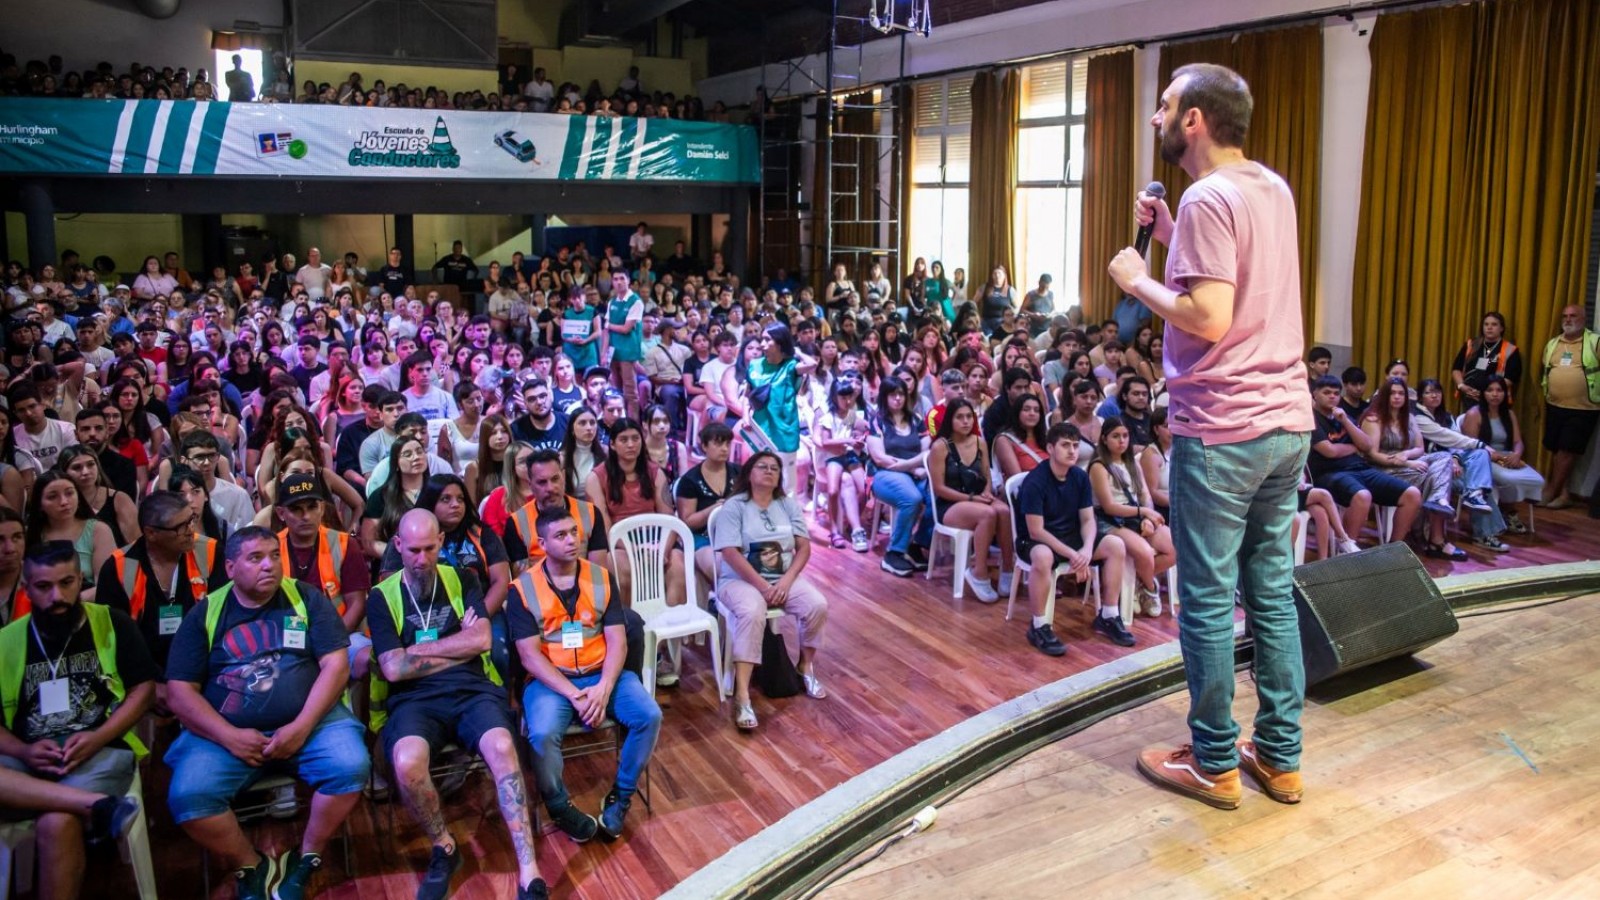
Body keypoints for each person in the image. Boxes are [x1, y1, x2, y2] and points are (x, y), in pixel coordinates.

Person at [1109, 63, 1316, 810]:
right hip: (1287, 421)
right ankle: (1281, 758)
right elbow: (1235, 279)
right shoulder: (1270, 186)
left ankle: (1214, 762)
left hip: (1223, 427)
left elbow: (1208, 318)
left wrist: (1137, 275)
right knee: (1271, 595)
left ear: (1193, 119)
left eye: (1164, 107)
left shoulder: (1205, 194)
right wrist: (1169, 236)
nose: (1156, 118)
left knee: (1202, 600)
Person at [163, 526, 369, 900]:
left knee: (351, 766)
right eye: (255, 558)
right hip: (227, 735)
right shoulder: (206, 612)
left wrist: (302, 727)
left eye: (274, 555)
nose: (269, 565)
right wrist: (229, 736)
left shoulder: (306, 598)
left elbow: (336, 666)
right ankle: (251, 864)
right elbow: (179, 692)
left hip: (311, 722)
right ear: (230, 567)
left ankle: (307, 855)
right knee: (188, 796)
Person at [369, 510, 547, 900]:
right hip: (413, 700)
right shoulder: (381, 597)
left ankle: (529, 867)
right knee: (406, 762)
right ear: (398, 546)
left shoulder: (462, 578)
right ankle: (444, 845)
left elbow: (481, 641)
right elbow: (393, 669)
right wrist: (455, 646)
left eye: (430, 548)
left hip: (470, 688)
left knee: (502, 747)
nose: (422, 559)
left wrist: (415, 651)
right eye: (413, 550)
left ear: (440, 545)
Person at [0, 541, 157, 900]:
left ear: (80, 580)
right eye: (44, 587)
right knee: (57, 814)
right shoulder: (6, 642)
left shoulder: (111, 622)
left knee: (56, 823)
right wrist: (23, 752)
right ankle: (94, 806)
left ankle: (80, 803)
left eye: (67, 582)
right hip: (27, 756)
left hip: (98, 749)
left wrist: (99, 737)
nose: (58, 596)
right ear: (27, 589)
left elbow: (143, 691)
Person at [508, 506, 662, 842]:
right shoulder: (522, 589)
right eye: (561, 535)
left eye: (574, 533)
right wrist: (575, 694)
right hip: (552, 682)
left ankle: (620, 797)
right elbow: (529, 657)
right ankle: (559, 806)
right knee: (543, 734)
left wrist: (604, 687)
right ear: (542, 543)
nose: (571, 541)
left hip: (602, 673)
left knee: (649, 714)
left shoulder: (601, 576)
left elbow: (619, 640)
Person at [708, 450, 828, 731]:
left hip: (781, 577)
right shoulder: (735, 507)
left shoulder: (787, 504)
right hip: (739, 580)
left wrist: (786, 581)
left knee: (817, 604)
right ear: (749, 473)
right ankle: (742, 694)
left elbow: (804, 547)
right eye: (762, 466)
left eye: (774, 468)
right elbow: (730, 553)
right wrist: (762, 586)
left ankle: (805, 667)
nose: (769, 471)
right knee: (752, 610)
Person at [1011, 423, 1130, 656]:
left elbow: (1087, 520)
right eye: (1065, 445)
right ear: (1050, 448)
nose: (1072, 451)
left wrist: (1086, 550)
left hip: (1071, 538)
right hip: (1038, 541)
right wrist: (1073, 554)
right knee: (1043, 557)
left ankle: (1108, 615)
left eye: (1075, 446)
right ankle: (1038, 625)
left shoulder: (1079, 476)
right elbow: (1036, 531)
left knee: (1116, 545)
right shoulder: (1036, 481)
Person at [94, 490, 226, 689]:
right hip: (141, 677)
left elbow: (223, 622)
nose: (191, 530)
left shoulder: (210, 552)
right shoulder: (119, 567)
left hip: (204, 671)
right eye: (180, 527)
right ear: (151, 533)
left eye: (191, 520)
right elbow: (115, 639)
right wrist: (153, 685)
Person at [275, 474, 372, 676]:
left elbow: (357, 604)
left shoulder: (345, 544)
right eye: (296, 509)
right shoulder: (271, 548)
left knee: (366, 656)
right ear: (281, 513)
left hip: (341, 634)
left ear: (322, 507)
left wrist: (330, 641)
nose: (306, 516)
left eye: (312, 507)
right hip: (285, 638)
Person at [1088, 417, 1176, 621]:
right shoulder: (1098, 466)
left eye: (1125, 436)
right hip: (1110, 520)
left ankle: (1136, 580)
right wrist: (1143, 513)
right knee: (1145, 553)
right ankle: (1151, 587)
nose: (1121, 441)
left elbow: (1145, 495)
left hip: (1136, 515)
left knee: (1175, 547)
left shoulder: (1132, 463)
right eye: (1115, 436)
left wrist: (1149, 519)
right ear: (1104, 439)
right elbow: (1109, 506)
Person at [927, 399, 1012, 603]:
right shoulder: (940, 447)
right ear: (950, 420)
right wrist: (972, 499)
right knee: (988, 513)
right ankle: (978, 571)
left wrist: (986, 491)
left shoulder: (979, 442)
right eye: (960, 417)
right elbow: (939, 488)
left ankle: (1007, 568)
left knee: (1004, 511)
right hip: (951, 504)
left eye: (969, 417)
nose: (965, 421)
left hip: (977, 496)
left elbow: (986, 475)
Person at [867, 377, 934, 577]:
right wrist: (911, 468)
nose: (897, 399)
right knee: (911, 498)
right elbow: (880, 458)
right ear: (885, 397)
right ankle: (894, 553)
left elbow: (927, 452)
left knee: (937, 497)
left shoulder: (916, 420)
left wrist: (912, 466)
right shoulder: (878, 420)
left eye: (901, 394)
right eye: (893, 394)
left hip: (914, 471)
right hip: (885, 474)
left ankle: (917, 542)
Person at [1460, 374, 1544, 531]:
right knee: (1508, 478)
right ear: (1483, 393)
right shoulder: (1474, 414)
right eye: (1490, 390)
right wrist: (1498, 457)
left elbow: (1518, 442)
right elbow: (1470, 445)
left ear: (1505, 393)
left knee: (1537, 480)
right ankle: (1508, 511)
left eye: (1499, 390)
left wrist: (1517, 454)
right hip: (1483, 458)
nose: (1495, 394)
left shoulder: (1509, 414)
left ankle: (1507, 511)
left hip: (1507, 456)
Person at [1539, 305, 1599, 510]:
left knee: (1567, 450)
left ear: (1583, 318)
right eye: (1565, 316)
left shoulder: (1594, 342)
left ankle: (1550, 491)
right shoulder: (1553, 343)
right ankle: (1563, 494)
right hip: (1555, 405)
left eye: (1573, 315)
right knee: (1556, 450)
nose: (1568, 319)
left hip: (1583, 408)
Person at [1451, 311, 1522, 408]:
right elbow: (1456, 369)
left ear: (1501, 328)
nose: (1489, 327)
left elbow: (1510, 378)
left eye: (1494, 324)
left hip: (1494, 400)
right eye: (1486, 324)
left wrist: (1487, 392)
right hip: (1469, 396)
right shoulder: (1471, 344)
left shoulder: (1510, 350)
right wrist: (1462, 386)